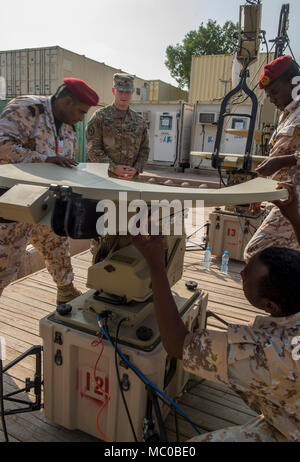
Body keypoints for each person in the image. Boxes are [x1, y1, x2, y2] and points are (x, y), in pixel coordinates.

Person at [132, 221, 300, 442]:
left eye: (245, 279)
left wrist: (156, 265)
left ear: (270, 306)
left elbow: (176, 342)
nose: (240, 274)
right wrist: (292, 213)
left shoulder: (268, 353)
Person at [0, 78, 99, 304]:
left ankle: (65, 291)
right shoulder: (27, 109)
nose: (82, 118)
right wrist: (44, 160)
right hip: (13, 204)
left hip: (46, 203)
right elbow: (2, 146)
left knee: (57, 247)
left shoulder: (67, 126)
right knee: (4, 264)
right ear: (66, 102)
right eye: (81, 111)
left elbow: (66, 163)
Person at [244, 55, 300, 261]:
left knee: (258, 256)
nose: (271, 99)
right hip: (287, 199)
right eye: (268, 95)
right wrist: (259, 191)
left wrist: (284, 161)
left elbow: (283, 159)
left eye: (274, 92)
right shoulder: (289, 113)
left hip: (296, 200)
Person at [86, 73, 149, 180]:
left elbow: (144, 150)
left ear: (132, 92)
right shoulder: (100, 117)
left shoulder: (139, 121)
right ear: (113, 91)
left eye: (127, 92)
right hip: (105, 178)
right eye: (120, 91)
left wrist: (136, 169)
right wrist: (113, 168)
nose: (124, 96)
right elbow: (93, 149)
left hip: (131, 179)